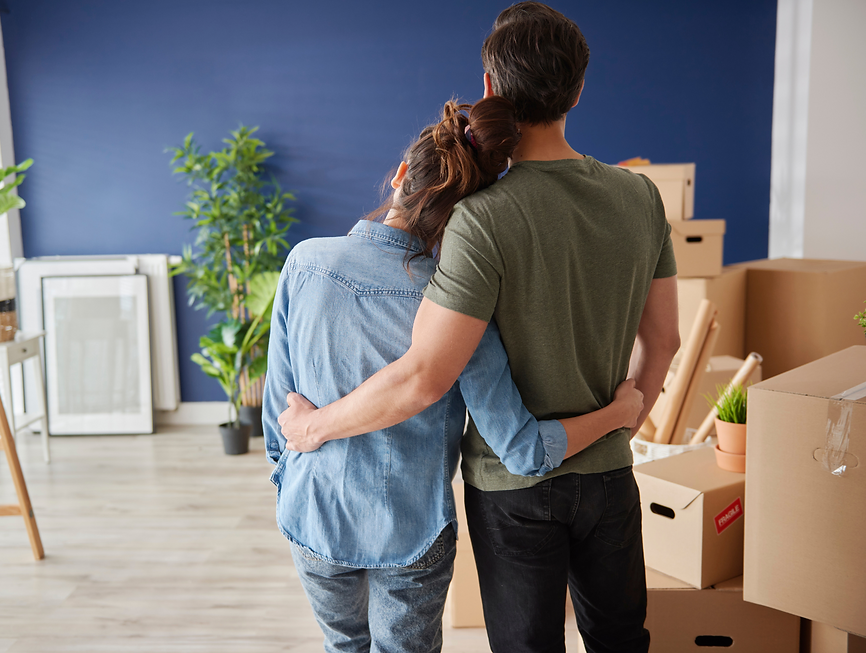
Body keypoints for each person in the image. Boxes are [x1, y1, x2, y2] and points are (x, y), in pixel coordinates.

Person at [278, 4, 681, 653]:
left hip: (512, 491)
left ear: (490, 85)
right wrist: (620, 424)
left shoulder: (479, 218)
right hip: (608, 475)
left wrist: (311, 429)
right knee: (621, 640)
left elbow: (424, 375)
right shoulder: (641, 197)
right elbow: (664, 343)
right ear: (579, 89)